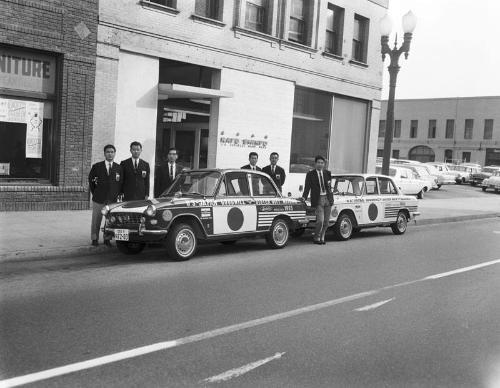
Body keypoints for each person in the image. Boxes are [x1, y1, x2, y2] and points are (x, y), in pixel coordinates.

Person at [88, 144, 123, 247]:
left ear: (115, 153)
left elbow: (120, 183)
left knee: (109, 220)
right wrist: (96, 193)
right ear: (104, 154)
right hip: (99, 198)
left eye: (112, 152)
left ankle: (107, 239)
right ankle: (94, 239)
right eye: (108, 152)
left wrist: (117, 195)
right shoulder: (97, 166)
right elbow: (91, 181)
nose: (110, 154)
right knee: (96, 220)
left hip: (112, 200)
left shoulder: (119, 168)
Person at [301, 155, 334, 245]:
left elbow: (329, 186)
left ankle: (322, 236)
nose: (320, 164)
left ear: (324, 164)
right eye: (318, 162)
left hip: (327, 198)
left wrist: (331, 198)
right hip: (318, 199)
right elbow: (307, 188)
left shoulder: (328, 173)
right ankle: (316, 237)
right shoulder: (310, 174)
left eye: (322, 163)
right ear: (315, 164)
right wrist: (304, 197)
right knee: (320, 221)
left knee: (327, 222)